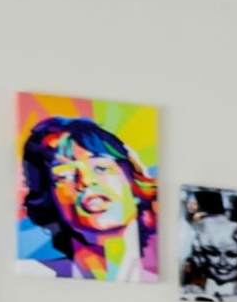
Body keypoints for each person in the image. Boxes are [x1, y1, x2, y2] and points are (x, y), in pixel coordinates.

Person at [17, 111, 156, 281]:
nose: (86, 181)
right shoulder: (33, 275)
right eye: (64, 175)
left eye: (101, 168)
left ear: (134, 181)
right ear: (49, 199)